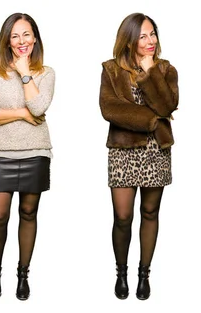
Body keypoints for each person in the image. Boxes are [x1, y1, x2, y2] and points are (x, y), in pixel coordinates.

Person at [99, 13, 178, 301]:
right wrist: (154, 121)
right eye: (143, 35)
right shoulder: (111, 70)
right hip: (122, 151)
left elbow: (168, 103)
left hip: (156, 152)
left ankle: (144, 274)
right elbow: (111, 110)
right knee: (122, 217)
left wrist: (150, 73)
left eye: (152, 34)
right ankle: (121, 272)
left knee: (150, 213)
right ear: (130, 39)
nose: (150, 40)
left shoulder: (166, 70)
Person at [0, 13, 54, 301]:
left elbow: (39, 105)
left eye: (26, 35)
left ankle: (23, 273)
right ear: (7, 40)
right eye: (15, 36)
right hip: (0, 153)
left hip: (36, 152)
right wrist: (21, 113)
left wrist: (25, 72)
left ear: (35, 38)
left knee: (28, 213)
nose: (21, 41)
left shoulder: (46, 73)